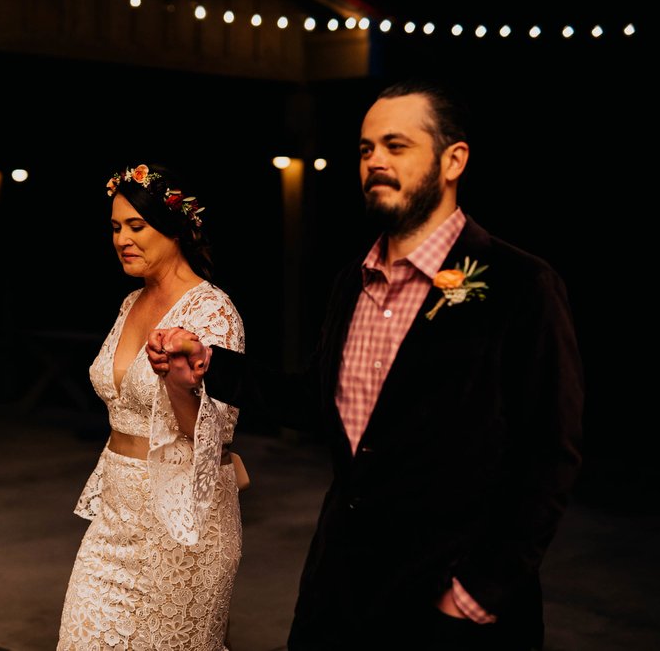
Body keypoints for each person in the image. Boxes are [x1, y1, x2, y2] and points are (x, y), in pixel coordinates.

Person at [147, 81, 583, 650]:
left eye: (395, 146)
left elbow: (550, 452)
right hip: (341, 593)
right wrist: (209, 365)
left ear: (453, 160)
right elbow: (318, 401)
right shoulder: (353, 281)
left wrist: (477, 592)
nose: (375, 160)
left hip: (450, 609)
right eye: (365, 149)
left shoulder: (517, 284)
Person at [57, 163, 245, 651]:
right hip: (116, 519)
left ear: (175, 228)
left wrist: (181, 382)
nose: (123, 238)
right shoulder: (129, 304)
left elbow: (213, 434)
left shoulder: (212, 311)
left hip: (182, 526)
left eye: (136, 226)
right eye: (116, 228)